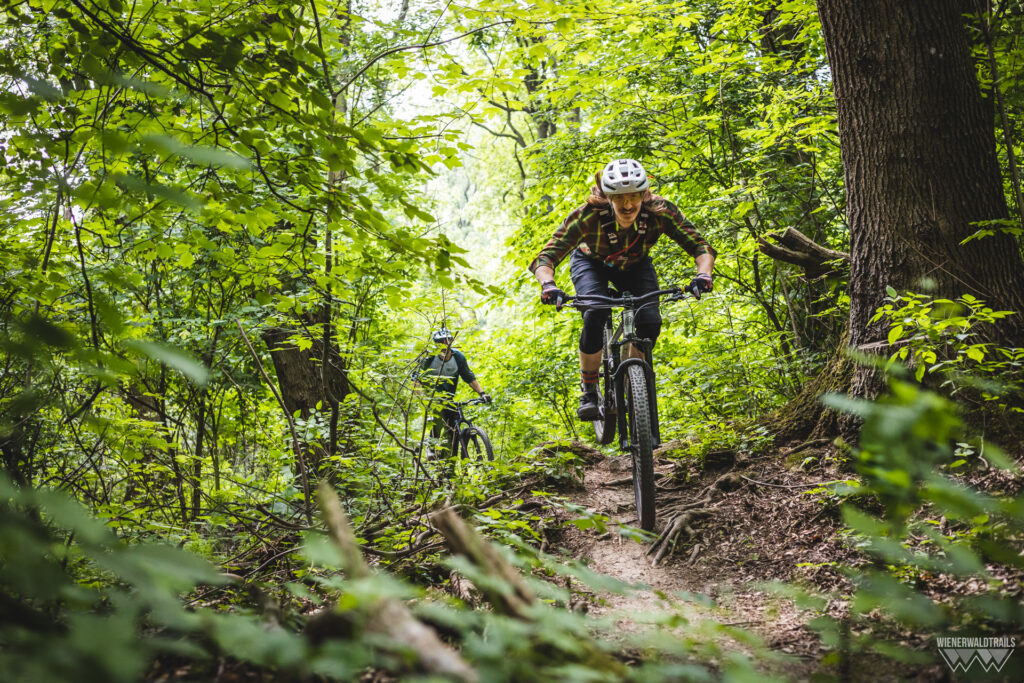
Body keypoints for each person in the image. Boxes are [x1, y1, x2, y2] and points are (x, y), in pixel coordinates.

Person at [529, 158, 717, 420]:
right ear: (608, 197)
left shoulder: (660, 211)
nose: (628, 205)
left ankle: (631, 377)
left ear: (643, 194)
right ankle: (589, 391)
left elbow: (700, 246)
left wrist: (703, 274)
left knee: (650, 321)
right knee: (595, 312)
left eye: (633, 197)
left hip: (635, 265)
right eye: (619, 198)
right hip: (591, 263)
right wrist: (549, 285)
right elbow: (546, 257)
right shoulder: (587, 216)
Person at [413, 328, 491, 458]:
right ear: (436, 344)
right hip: (432, 397)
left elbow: (469, 378)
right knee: (437, 419)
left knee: (453, 429)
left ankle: (449, 463)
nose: (444, 344)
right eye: (440, 342)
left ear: (451, 341)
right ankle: (431, 447)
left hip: (449, 398)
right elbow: (415, 380)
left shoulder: (458, 357)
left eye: (447, 341)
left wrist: (482, 393)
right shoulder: (429, 358)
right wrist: (423, 400)